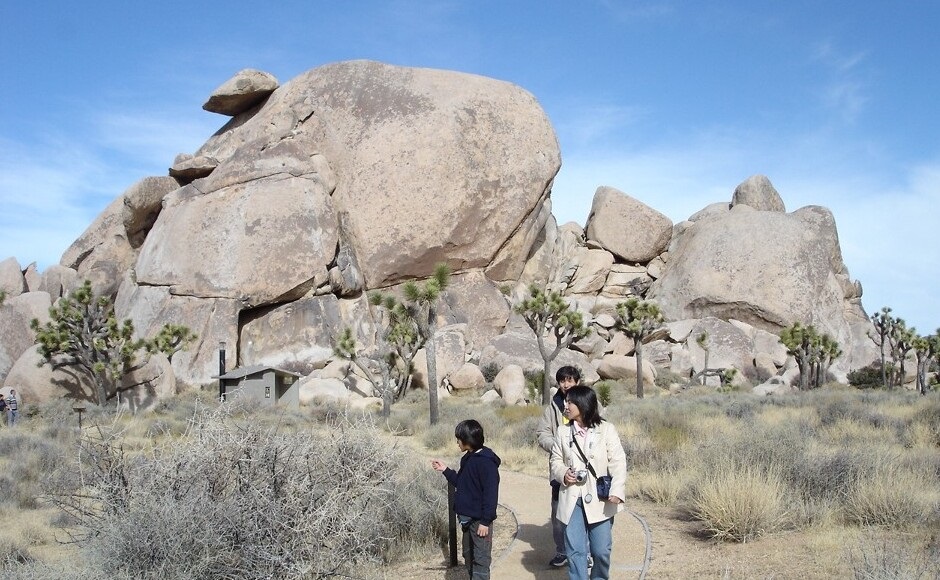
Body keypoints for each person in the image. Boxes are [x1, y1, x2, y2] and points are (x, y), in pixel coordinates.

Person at [550, 386, 627, 580]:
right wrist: (563, 473)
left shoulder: (606, 429)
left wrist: (617, 490)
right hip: (572, 497)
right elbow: (555, 460)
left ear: (583, 404)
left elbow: (618, 461)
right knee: (575, 552)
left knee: (601, 551)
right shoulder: (562, 431)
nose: (565, 406)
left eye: (570, 402)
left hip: (600, 498)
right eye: (565, 402)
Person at [432, 419, 501, 580]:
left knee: (481, 560)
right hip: (466, 521)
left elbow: (491, 495)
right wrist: (445, 470)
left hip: (479, 523)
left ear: (468, 441)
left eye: (459, 438)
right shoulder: (468, 458)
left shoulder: (486, 463)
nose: (457, 442)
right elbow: (462, 484)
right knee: (468, 556)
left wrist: (485, 521)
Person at [535, 365, 581, 567]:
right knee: (558, 511)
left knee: (585, 510)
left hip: (584, 466)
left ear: (577, 382)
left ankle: (583, 552)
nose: (566, 384)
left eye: (570, 380)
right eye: (563, 380)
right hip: (559, 468)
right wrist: (557, 446)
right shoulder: (552, 407)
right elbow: (542, 433)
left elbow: (600, 424)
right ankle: (562, 551)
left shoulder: (588, 401)